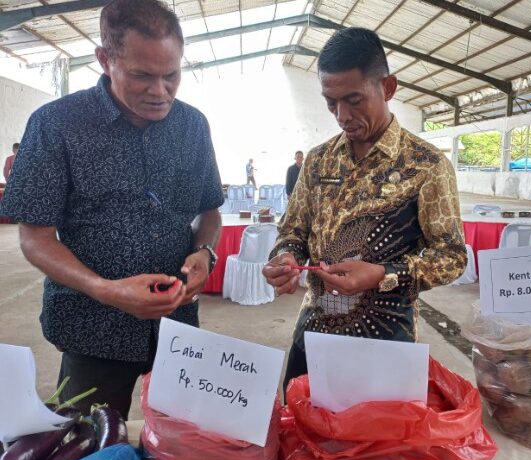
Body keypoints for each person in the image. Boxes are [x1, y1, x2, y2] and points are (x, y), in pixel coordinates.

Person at [0, 0, 223, 419]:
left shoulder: (192, 126)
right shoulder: (57, 124)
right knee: (91, 446)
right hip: (92, 329)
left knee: (180, 442)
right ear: (105, 60)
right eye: (141, 75)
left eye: (171, 75)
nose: (160, 91)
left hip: (178, 324)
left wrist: (204, 253)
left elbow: (210, 212)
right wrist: (105, 289)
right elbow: (35, 238)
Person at [262, 27, 467, 394]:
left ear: (387, 88)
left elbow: (451, 256)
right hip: (314, 331)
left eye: (354, 100)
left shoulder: (426, 165)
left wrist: (381, 275)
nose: (342, 115)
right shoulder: (318, 160)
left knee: (377, 444)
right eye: (331, 102)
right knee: (299, 435)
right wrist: (285, 258)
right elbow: (292, 231)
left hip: (386, 340)